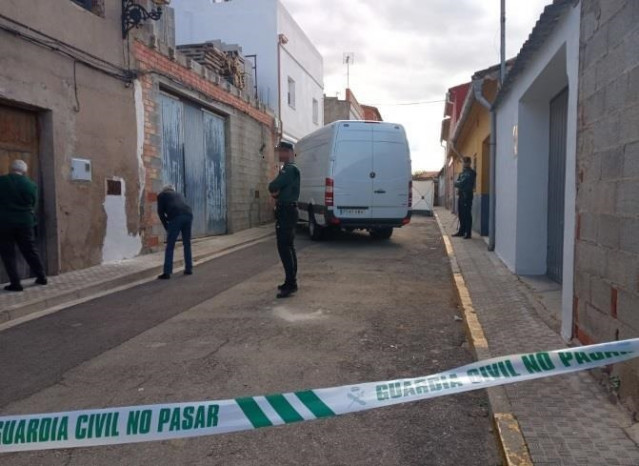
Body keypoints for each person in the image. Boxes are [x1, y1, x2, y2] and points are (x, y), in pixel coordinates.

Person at [0, 160, 47, 292]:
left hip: (4, 222)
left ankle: (16, 283)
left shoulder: (2, 181)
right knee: (30, 250)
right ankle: (41, 276)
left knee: (8, 253)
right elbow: (32, 203)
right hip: (25, 222)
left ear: (10, 168)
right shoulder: (31, 185)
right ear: (24, 171)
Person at [268, 141, 300, 298]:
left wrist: (274, 191)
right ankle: (290, 281)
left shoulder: (289, 170)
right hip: (289, 210)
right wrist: (278, 193)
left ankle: (291, 283)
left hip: (286, 211)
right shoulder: (291, 170)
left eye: (281, 151)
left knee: (284, 248)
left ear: (288, 152)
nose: (279, 155)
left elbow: (273, 185)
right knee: (289, 246)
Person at [156, 185, 193, 279]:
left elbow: (160, 213)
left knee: (170, 245)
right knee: (187, 244)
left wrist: (166, 227)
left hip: (176, 217)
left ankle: (167, 272)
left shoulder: (162, 195)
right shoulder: (178, 194)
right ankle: (189, 268)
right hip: (188, 215)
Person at [453, 156, 477, 239]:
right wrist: (458, 183)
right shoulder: (462, 173)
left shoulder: (471, 173)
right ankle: (461, 231)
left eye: (465, 162)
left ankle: (468, 233)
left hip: (467, 195)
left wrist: (458, 183)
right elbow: (457, 183)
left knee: (467, 214)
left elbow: (460, 183)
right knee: (461, 214)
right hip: (461, 195)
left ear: (469, 163)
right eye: (463, 162)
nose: (464, 163)